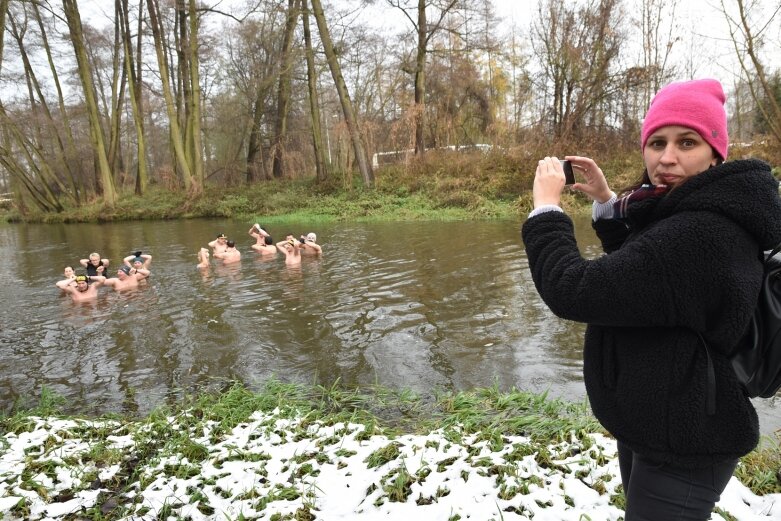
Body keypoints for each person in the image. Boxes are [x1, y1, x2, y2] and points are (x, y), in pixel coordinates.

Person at [520, 78, 781, 520]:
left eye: (687, 142)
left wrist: (546, 210)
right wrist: (607, 202)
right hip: (663, 415)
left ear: (717, 152)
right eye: (656, 142)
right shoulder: (695, 212)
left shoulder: (701, 234)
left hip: (686, 441)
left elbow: (573, 289)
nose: (667, 157)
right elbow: (642, 277)